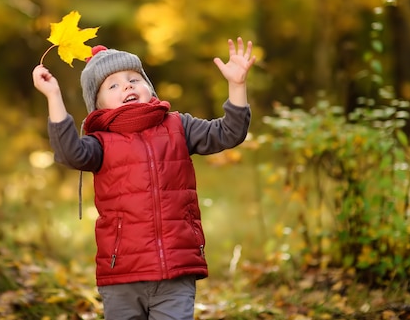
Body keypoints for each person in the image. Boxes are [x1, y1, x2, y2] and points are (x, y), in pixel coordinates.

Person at [32, 37, 256, 320]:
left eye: (134, 78)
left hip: (176, 268)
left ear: (149, 87)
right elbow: (69, 154)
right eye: (113, 85)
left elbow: (228, 133)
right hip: (122, 273)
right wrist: (54, 97)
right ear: (97, 105)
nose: (127, 85)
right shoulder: (100, 142)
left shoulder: (178, 125)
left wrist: (237, 86)